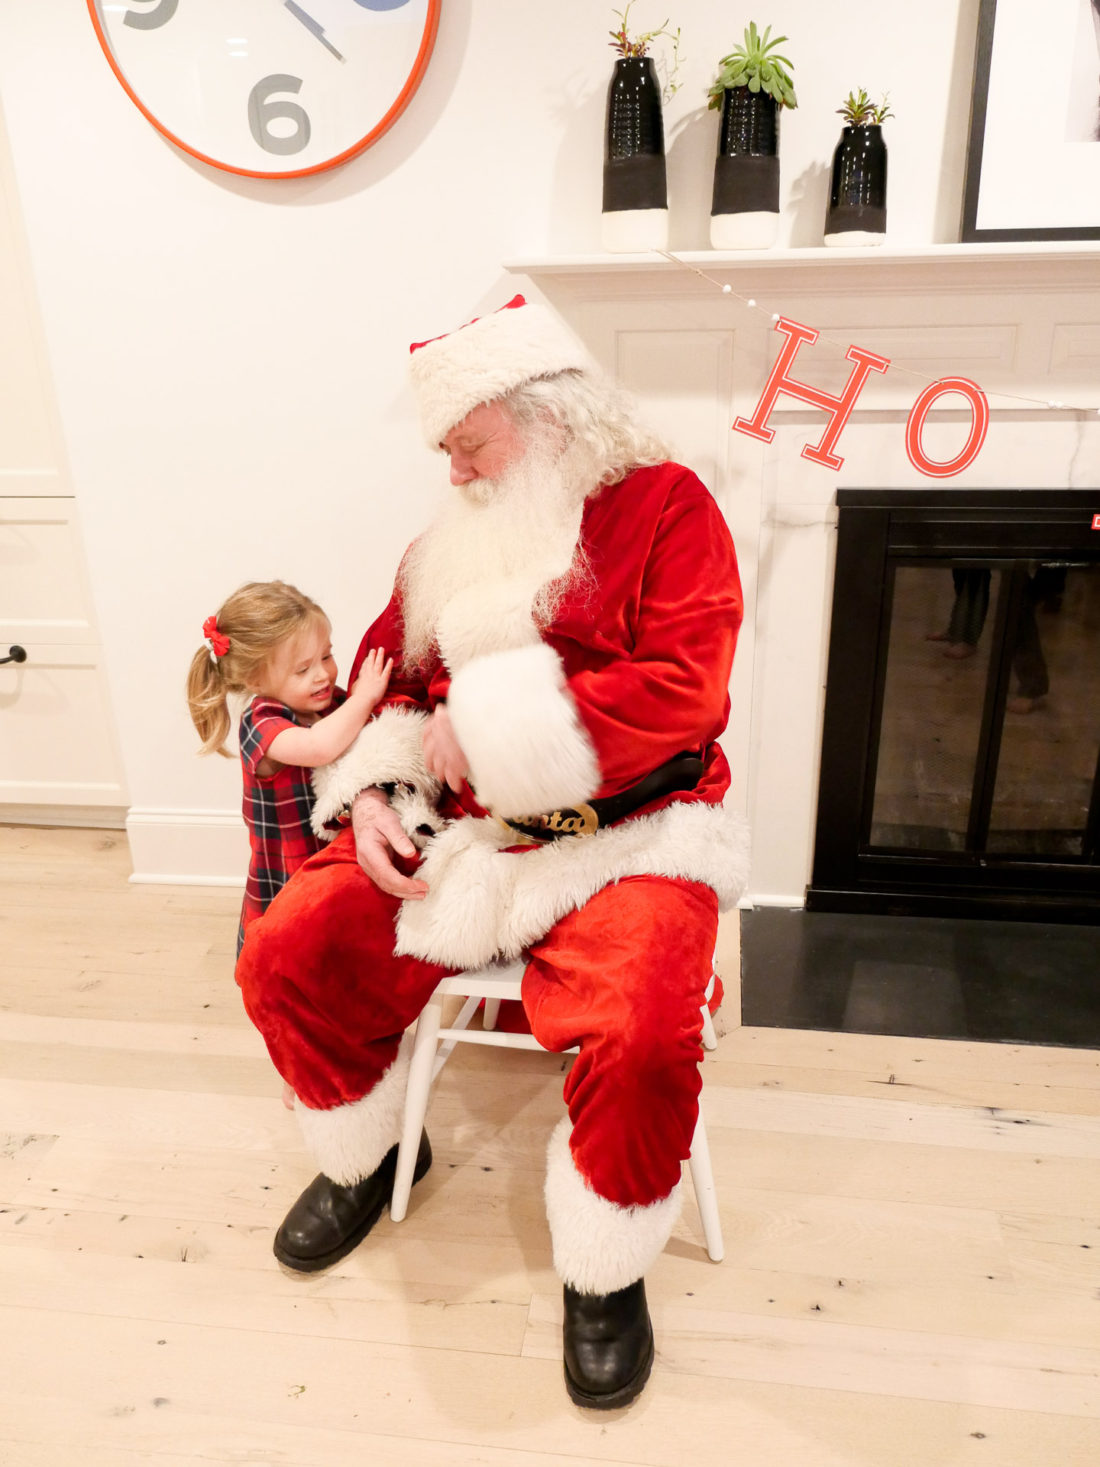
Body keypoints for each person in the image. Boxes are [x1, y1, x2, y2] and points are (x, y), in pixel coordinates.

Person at [236, 296, 749, 1410]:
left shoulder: (666, 508)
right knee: (289, 951)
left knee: (642, 1034)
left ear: (544, 413)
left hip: (628, 834)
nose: (454, 468)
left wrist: (510, 722)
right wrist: (370, 787)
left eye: (468, 442)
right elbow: (387, 672)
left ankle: (604, 1272)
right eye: (445, 451)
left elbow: (682, 693)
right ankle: (370, 1155)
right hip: (464, 832)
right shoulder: (446, 543)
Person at [186, 580, 392, 955]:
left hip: (332, 861)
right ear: (256, 680)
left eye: (327, 656)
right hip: (288, 869)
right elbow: (320, 746)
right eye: (303, 669)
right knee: (288, 949)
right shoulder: (261, 721)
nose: (323, 675)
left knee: (335, 944)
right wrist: (364, 697)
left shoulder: (329, 705)